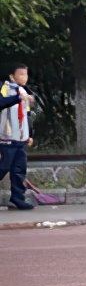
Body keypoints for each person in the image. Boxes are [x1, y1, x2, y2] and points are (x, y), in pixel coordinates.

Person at [0, 65, 37, 210]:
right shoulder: (4, 88)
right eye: (21, 74)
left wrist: (30, 135)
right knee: (3, 167)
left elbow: (26, 116)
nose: (24, 77)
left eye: (26, 74)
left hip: (20, 139)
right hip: (6, 137)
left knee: (19, 170)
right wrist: (17, 98)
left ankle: (17, 198)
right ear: (11, 76)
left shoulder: (23, 91)